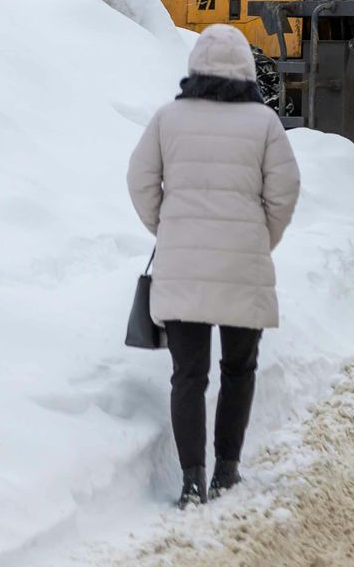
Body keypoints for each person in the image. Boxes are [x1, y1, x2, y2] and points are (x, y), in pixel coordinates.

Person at [127, 25, 300, 508]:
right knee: (238, 369)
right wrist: (262, 237)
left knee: (188, 374)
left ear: (196, 65)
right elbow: (284, 190)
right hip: (244, 265)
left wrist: (167, 228)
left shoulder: (168, 120)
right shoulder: (264, 123)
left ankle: (190, 482)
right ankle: (226, 471)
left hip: (181, 267)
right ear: (245, 66)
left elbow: (139, 180)